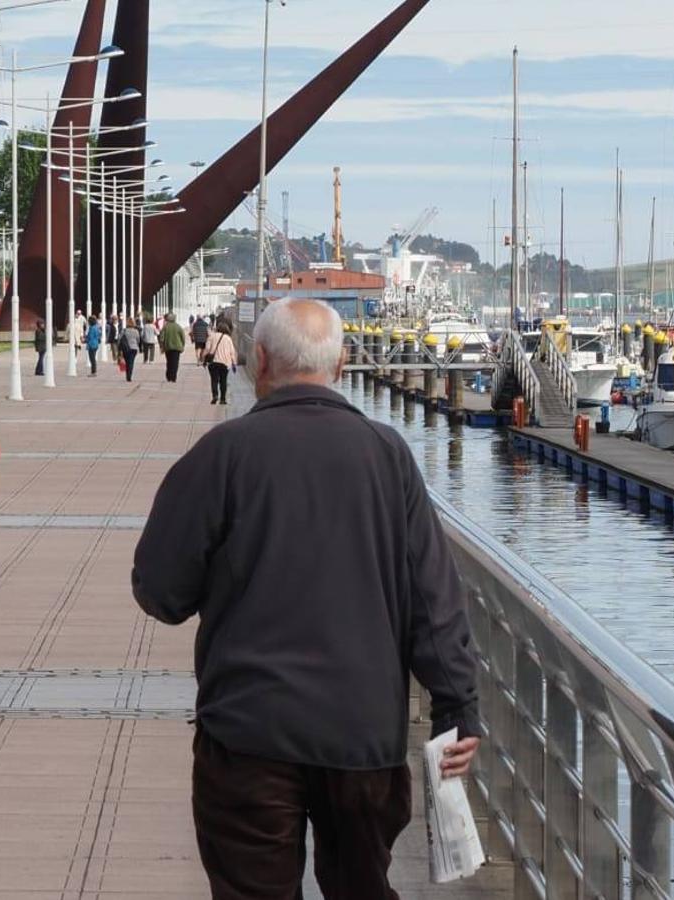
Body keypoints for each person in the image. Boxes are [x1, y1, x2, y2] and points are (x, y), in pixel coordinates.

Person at [132, 298, 480, 899]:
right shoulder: (388, 456)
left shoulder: (223, 456)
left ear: (257, 360)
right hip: (362, 733)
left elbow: (161, 592)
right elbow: (432, 596)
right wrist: (457, 708)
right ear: (342, 363)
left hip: (249, 732)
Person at [201, 320, 237, 406]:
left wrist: (203, 358)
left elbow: (207, 349)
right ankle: (223, 399)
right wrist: (234, 363)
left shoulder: (212, 336)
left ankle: (215, 395)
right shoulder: (228, 338)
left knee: (214, 380)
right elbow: (232, 352)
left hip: (213, 362)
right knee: (223, 381)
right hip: (225, 363)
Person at [159, 313, 186, 383]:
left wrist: (161, 347)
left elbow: (161, 338)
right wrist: (183, 345)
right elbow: (183, 337)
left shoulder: (165, 327)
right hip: (177, 348)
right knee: (175, 363)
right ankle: (173, 377)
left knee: (169, 362)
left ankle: (168, 376)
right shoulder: (178, 327)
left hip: (168, 347)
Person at [119, 317, 141, 383]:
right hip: (134, 348)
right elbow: (138, 339)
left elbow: (120, 339)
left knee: (127, 361)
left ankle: (127, 375)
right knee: (131, 362)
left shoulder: (124, 330)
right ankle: (129, 376)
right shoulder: (136, 331)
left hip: (126, 348)